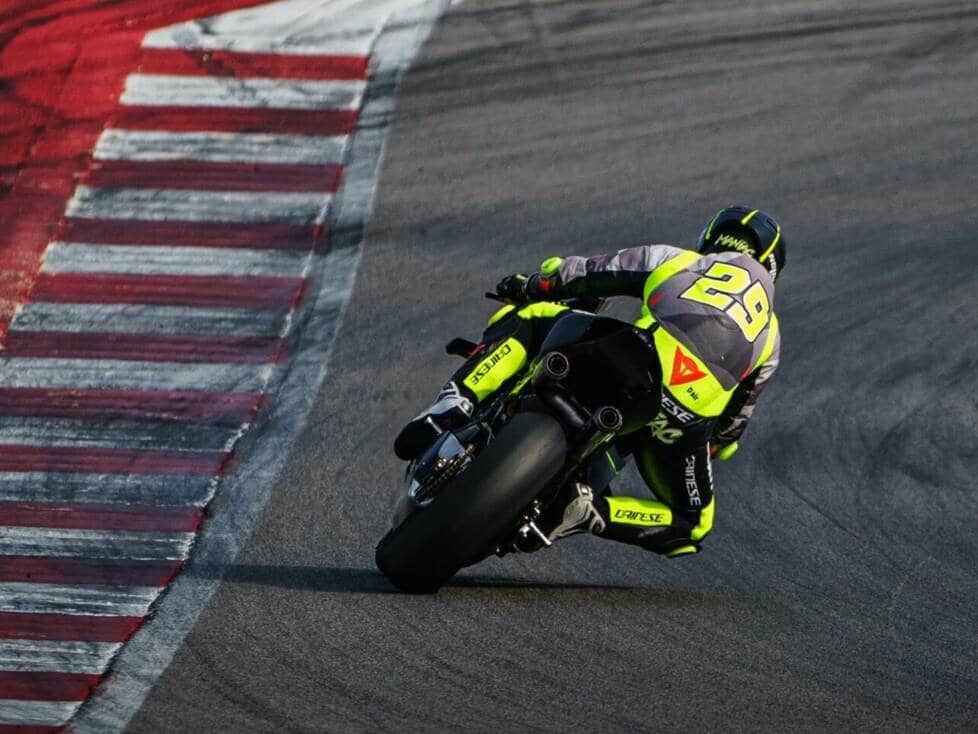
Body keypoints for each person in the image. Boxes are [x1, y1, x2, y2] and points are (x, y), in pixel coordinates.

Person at [394, 206, 785, 558]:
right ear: (771, 270)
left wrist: (533, 286)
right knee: (692, 524)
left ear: (710, 239)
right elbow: (734, 424)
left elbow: (591, 273)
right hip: (680, 419)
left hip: (634, 355)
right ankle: (590, 512)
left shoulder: (683, 261)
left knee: (533, 316)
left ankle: (457, 400)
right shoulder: (771, 338)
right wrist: (712, 444)